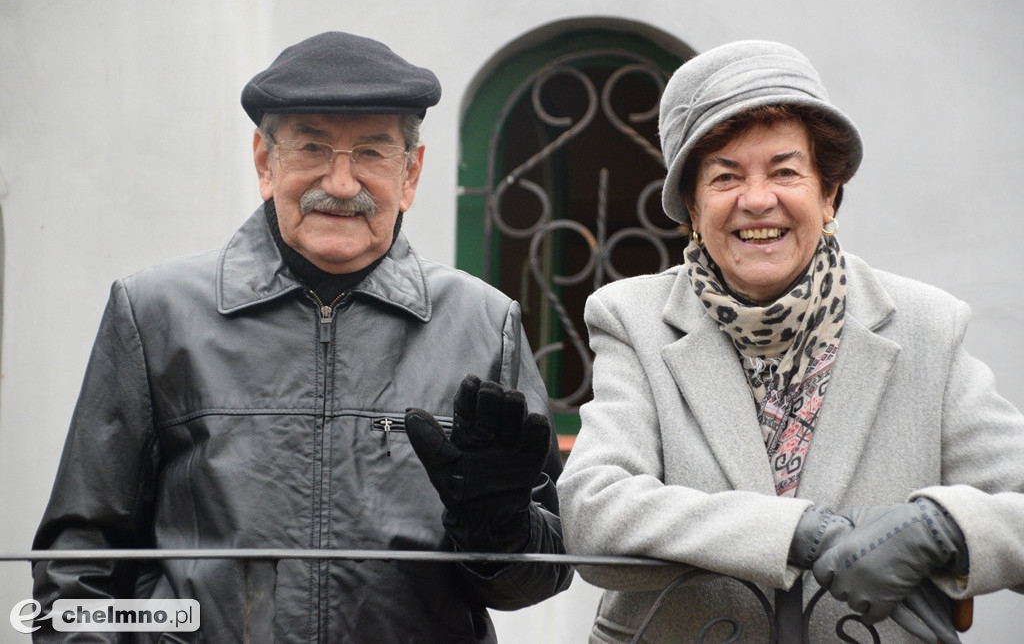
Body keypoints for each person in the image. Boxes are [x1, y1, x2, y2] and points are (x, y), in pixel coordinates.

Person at [32, 31, 572, 642]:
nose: (340, 183)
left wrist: (498, 529)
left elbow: (546, 572)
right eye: (312, 147)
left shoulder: (483, 323)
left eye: (372, 152)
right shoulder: (155, 312)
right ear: (266, 162)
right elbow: (79, 564)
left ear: (411, 173)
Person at [556, 40, 1024, 643]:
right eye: (725, 176)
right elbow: (594, 512)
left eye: (785, 171)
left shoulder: (927, 325)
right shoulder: (633, 319)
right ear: (693, 209)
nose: (757, 200)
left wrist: (944, 529)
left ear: (828, 194)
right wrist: (794, 532)